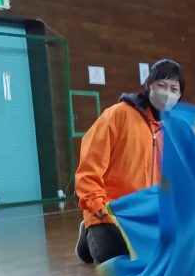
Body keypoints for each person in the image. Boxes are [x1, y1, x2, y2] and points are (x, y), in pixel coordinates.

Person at [74, 59, 184, 264]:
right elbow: (88, 169)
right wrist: (98, 207)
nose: (167, 93)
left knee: (167, 258)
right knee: (114, 260)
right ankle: (89, 234)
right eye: (161, 85)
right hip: (109, 213)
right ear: (148, 85)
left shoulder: (175, 131)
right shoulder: (117, 116)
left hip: (148, 216)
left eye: (174, 89)